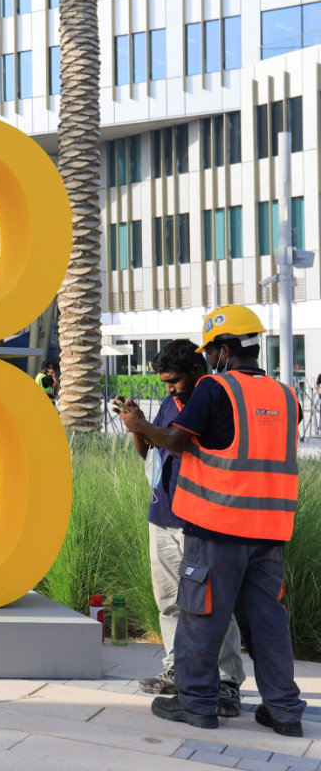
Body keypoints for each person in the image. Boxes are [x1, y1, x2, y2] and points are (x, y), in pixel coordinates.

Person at [116, 305, 306, 734]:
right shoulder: (286, 396)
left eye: (213, 351)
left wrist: (141, 425)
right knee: (268, 623)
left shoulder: (215, 389)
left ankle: (197, 702)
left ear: (221, 351)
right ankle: (285, 712)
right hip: (270, 531)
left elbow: (176, 441)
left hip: (217, 526)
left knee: (200, 616)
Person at [129, 339, 245, 715]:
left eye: (174, 380)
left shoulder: (212, 400)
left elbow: (179, 444)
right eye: (164, 382)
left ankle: (227, 681)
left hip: (198, 522)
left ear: (198, 371)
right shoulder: (170, 402)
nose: (170, 388)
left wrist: (144, 425)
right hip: (162, 516)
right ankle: (176, 670)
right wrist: (137, 428)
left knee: (214, 605)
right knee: (169, 603)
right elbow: (153, 453)